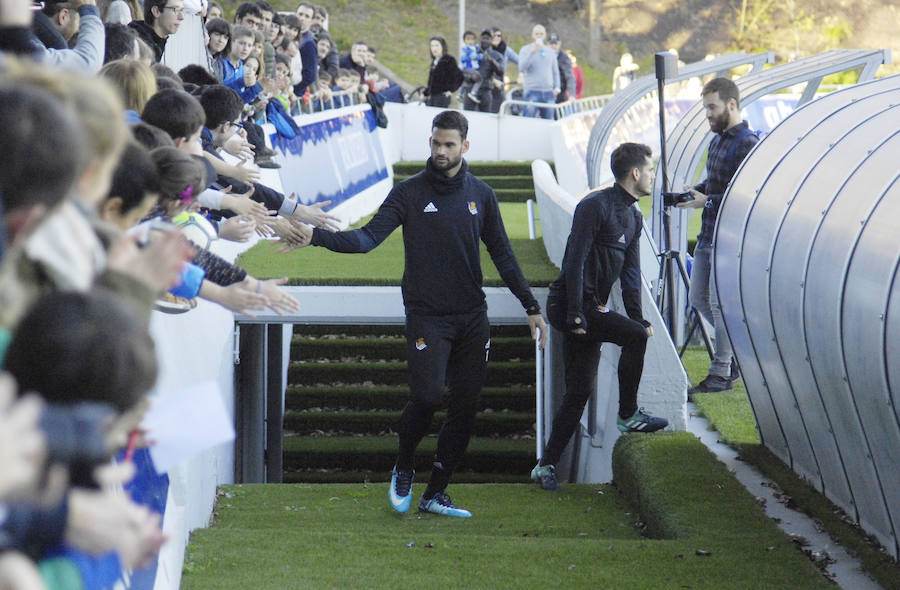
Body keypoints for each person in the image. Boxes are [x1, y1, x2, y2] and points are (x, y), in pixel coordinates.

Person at [290, 111, 548, 518]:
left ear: (465, 146)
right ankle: (405, 464)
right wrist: (316, 237)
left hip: (471, 317)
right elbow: (366, 239)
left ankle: (436, 493)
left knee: (465, 406)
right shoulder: (408, 193)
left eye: (449, 144)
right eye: (435, 143)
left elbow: (502, 254)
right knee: (427, 396)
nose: (440, 151)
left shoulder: (481, 194)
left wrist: (531, 306)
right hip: (427, 316)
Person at [531, 143, 669, 491]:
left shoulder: (634, 217)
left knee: (578, 391)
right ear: (635, 173)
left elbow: (631, 274)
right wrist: (577, 314)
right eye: (650, 170)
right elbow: (574, 260)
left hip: (592, 308)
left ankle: (545, 466)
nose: (653, 176)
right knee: (631, 339)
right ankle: (628, 415)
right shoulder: (594, 206)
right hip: (569, 306)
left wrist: (639, 317)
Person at [676, 77, 759, 395]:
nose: (708, 114)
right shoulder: (718, 140)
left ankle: (721, 372)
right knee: (698, 299)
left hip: (728, 237)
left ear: (732, 104)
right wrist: (695, 191)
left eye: (712, 107)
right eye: (705, 108)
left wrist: (706, 199)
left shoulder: (747, 142)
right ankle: (738, 356)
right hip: (707, 233)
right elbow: (716, 181)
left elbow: (745, 195)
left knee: (717, 303)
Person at [518, 24, 560, 119]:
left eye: (541, 34)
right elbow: (522, 67)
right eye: (537, 34)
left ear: (545, 35)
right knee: (529, 120)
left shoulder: (550, 51)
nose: (539, 36)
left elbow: (555, 72)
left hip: (549, 92)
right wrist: (532, 52)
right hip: (532, 91)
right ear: (533, 35)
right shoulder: (525, 50)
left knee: (549, 122)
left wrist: (557, 87)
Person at [462, 29, 502, 113]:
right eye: (483, 38)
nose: (485, 41)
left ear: (491, 40)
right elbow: (463, 67)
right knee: (469, 116)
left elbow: (500, 71)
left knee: (486, 117)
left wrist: (490, 60)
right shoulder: (472, 51)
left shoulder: (496, 55)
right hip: (470, 88)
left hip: (486, 90)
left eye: (487, 38)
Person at [423, 35, 460, 108]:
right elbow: (431, 82)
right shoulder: (434, 62)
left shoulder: (449, 60)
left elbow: (459, 77)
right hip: (433, 97)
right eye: (432, 46)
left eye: (437, 45)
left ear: (442, 46)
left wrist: (450, 90)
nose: (434, 48)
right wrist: (425, 93)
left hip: (442, 97)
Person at [488, 26, 517, 113]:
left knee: (499, 111)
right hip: (486, 85)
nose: (496, 38)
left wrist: (522, 74)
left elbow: (521, 60)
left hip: (500, 86)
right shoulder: (484, 49)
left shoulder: (506, 50)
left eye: (498, 35)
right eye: (494, 35)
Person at [548, 34, 574, 103]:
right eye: (551, 44)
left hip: (559, 94)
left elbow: (569, 77)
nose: (553, 46)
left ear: (559, 44)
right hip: (545, 91)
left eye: (555, 43)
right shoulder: (543, 55)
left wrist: (572, 95)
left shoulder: (564, 58)